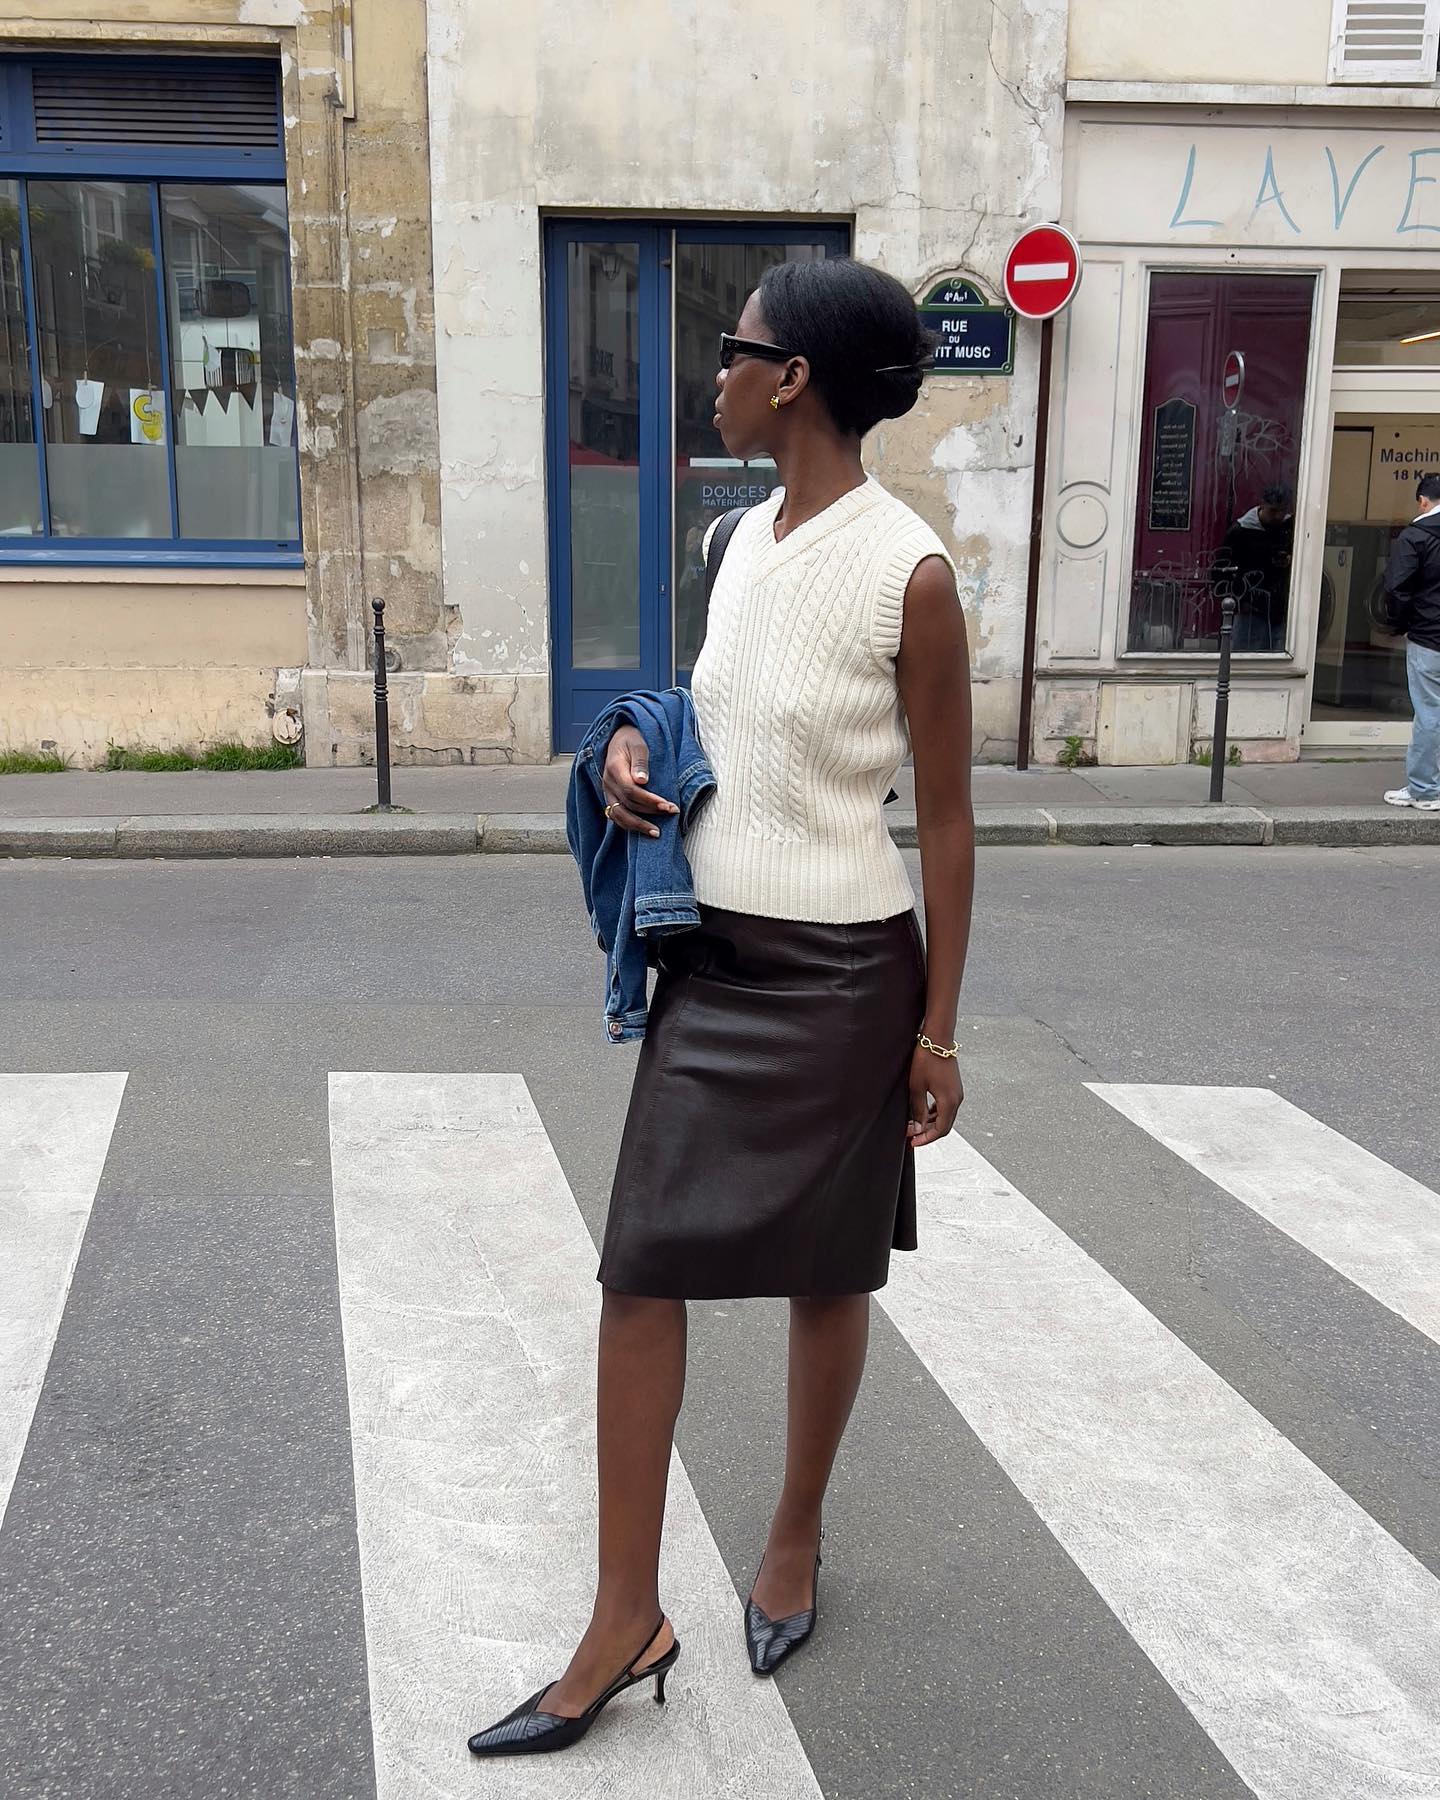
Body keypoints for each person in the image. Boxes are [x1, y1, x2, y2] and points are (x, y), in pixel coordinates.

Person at [467, 257, 976, 1758]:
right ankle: (627, 1613)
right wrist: (632, 749)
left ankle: (794, 1538)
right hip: (715, 964)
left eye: (733, 350)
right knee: (642, 1271)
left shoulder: (913, 573)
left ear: (796, 378)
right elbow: (710, 714)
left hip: (843, 978)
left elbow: (944, 821)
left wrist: (938, 1027)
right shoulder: (729, 538)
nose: (713, 373)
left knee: (831, 1273)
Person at [1381, 470, 1440, 811]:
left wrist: (1401, 624)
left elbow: (1395, 587)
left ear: (1422, 500)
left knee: (1429, 713)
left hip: (1429, 637)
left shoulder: (1415, 536)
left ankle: (1424, 789)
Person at [1213, 484, 1294, 651]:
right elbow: (1220, 570)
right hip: (1250, 608)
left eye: (1282, 511)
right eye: (1273, 511)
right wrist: (1236, 600)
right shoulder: (1240, 532)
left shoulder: (1290, 526)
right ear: (1261, 505)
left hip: (1281, 608)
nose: (1278, 516)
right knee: (1243, 660)